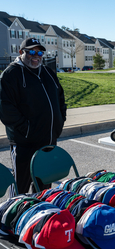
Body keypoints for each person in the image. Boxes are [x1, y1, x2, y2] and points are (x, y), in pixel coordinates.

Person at [0, 38, 67, 195]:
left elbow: (60, 99)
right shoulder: (11, 75)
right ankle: (13, 216)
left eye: (39, 52)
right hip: (24, 143)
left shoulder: (48, 73)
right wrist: (28, 130)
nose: (36, 55)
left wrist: (60, 121)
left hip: (49, 141)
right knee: (20, 188)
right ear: (21, 52)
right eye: (31, 51)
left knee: (44, 185)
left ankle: (40, 216)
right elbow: (5, 108)